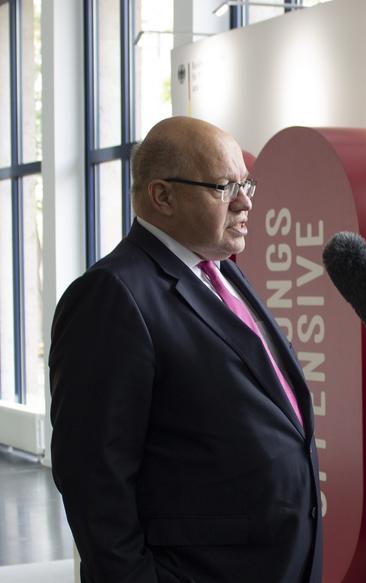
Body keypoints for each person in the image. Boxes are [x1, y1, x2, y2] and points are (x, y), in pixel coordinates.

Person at [49, 116, 322, 583]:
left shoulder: (224, 271)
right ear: (163, 196)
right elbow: (95, 480)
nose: (245, 201)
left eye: (246, 183)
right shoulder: (112, 295)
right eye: (224, 187)